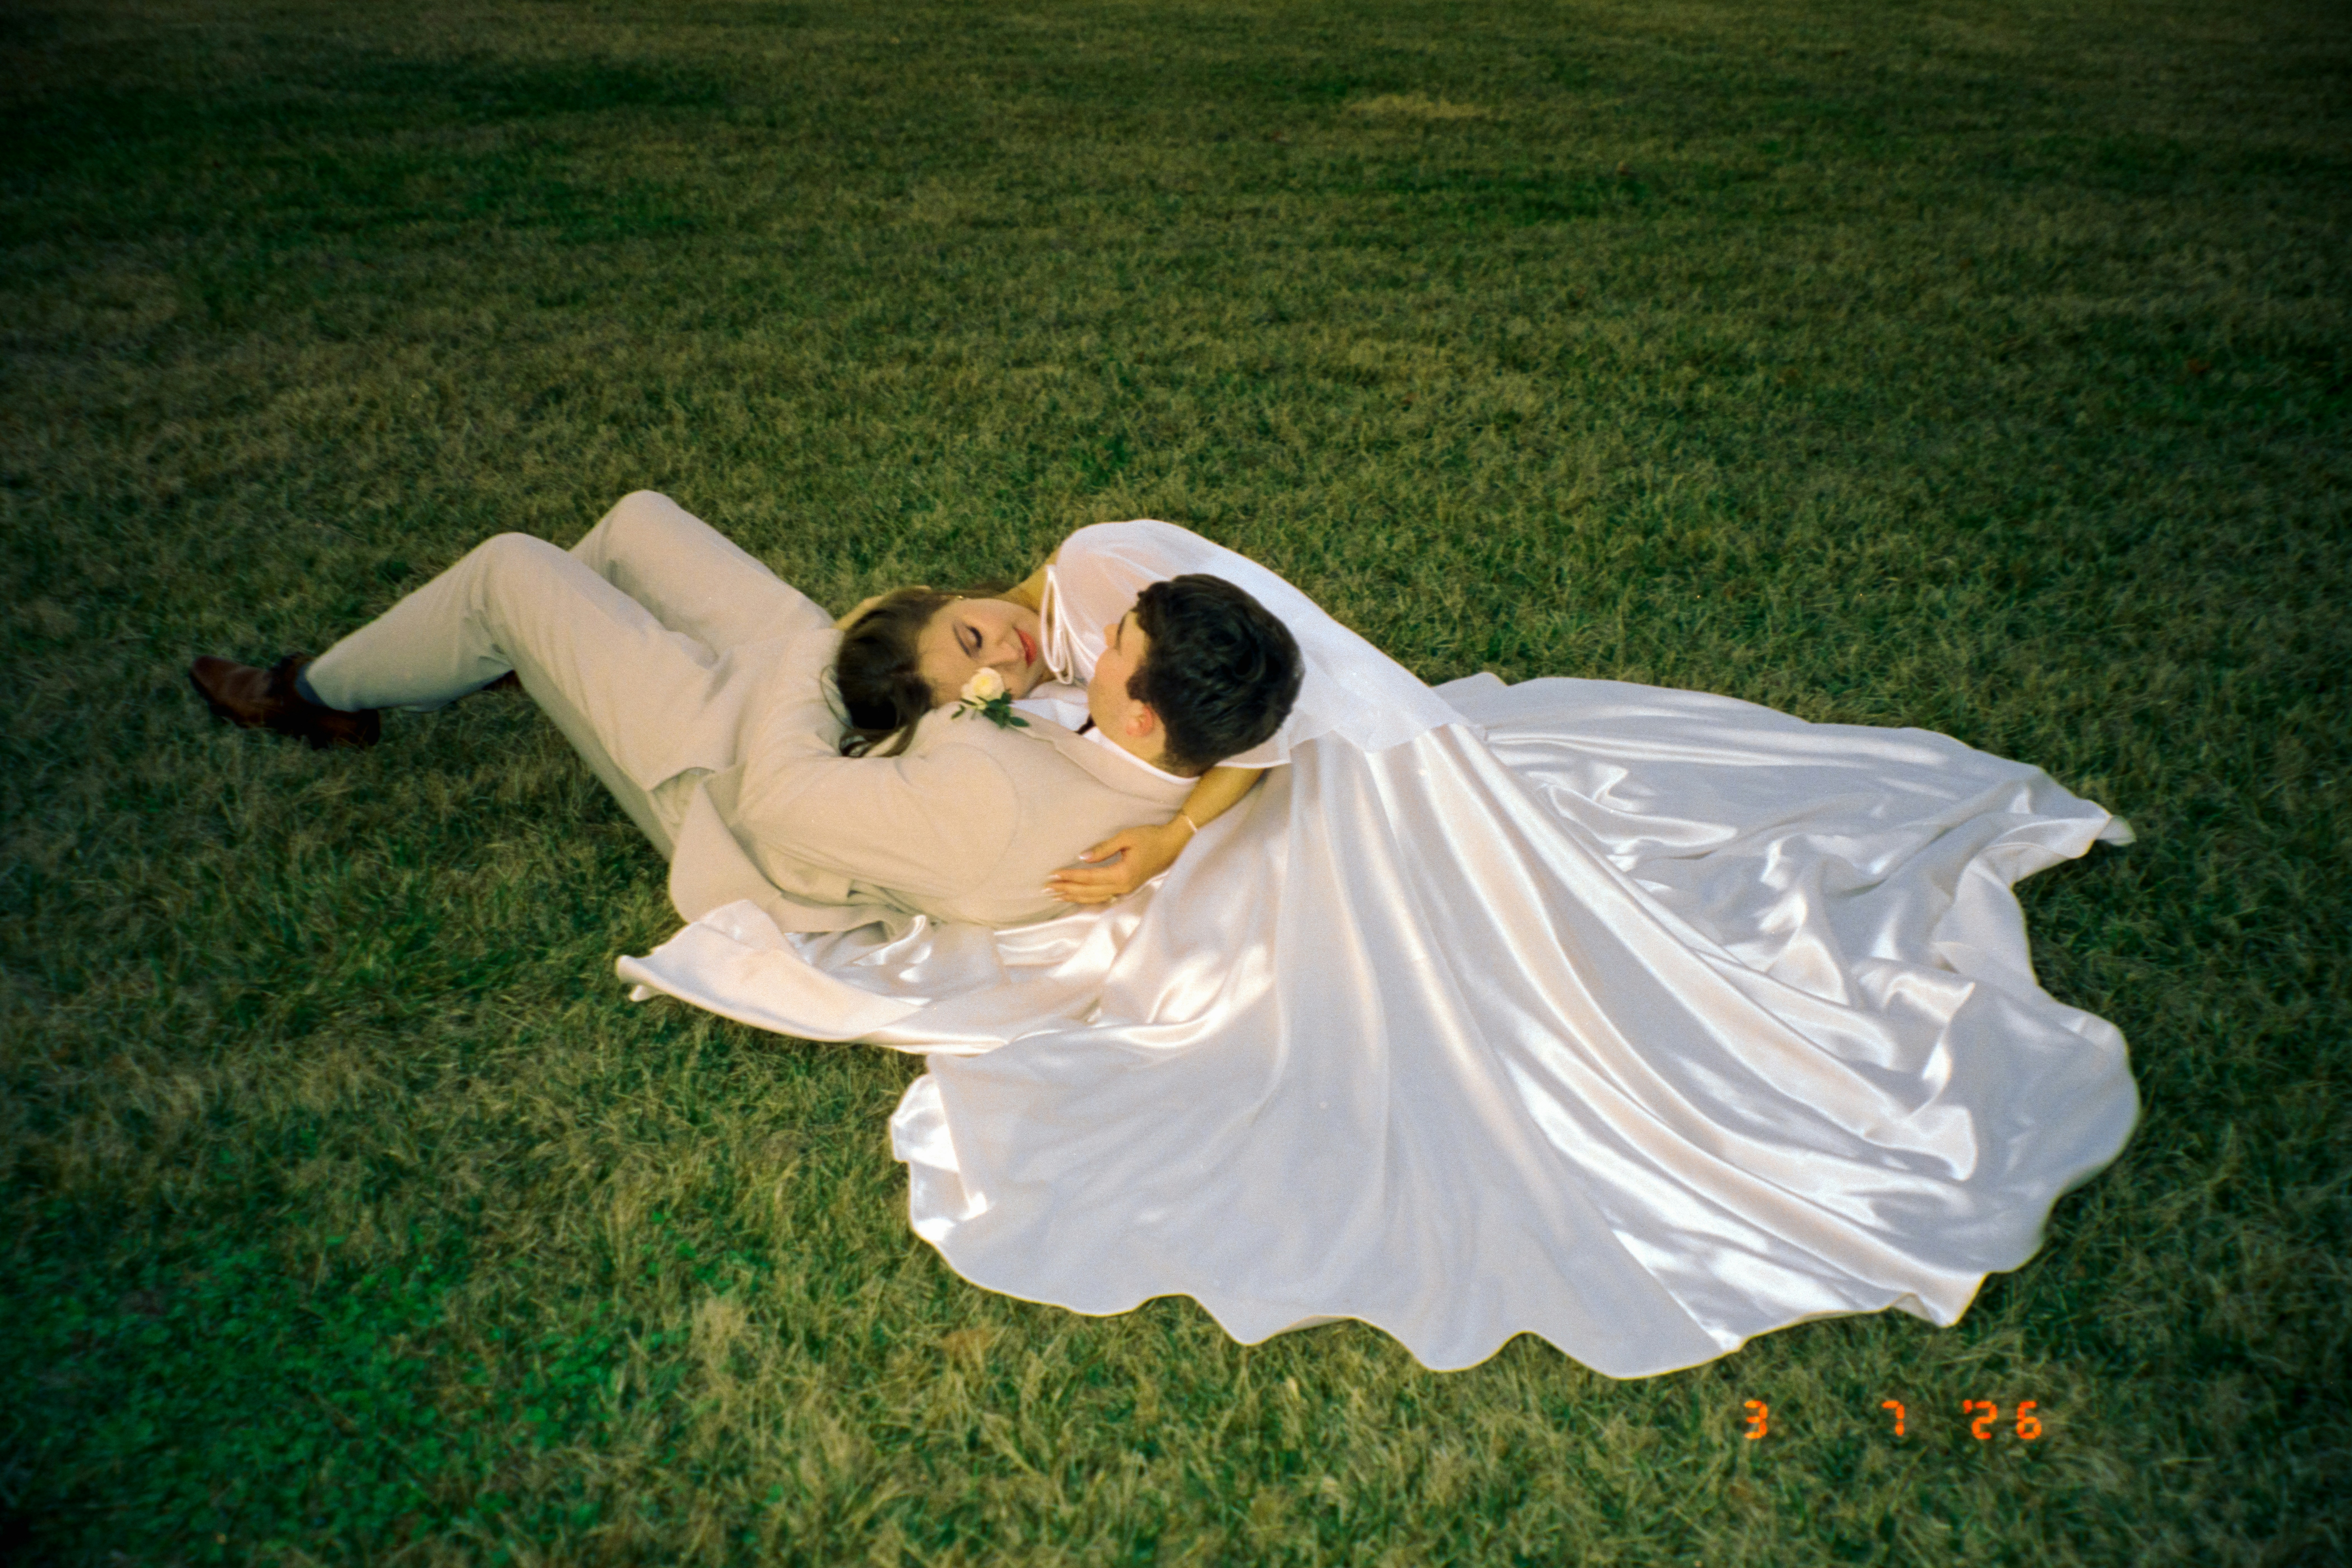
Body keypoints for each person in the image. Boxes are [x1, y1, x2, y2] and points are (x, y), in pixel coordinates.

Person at [623, 518, 2141, 1379]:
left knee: (1375, 934)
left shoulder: (1169, 652)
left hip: (1269, 771)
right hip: (1163, 727)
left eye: (1006, 647)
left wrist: (1166, 836)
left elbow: (1259, 742)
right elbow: (1077, 661)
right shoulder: (1076, 596)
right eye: (977, 652)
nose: (1018, 658)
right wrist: (1009, 683)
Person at [187, 491, 1303, 939]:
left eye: (1119, 649)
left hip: (723, 784)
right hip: (860, 723)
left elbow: (775, 805)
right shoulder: (1179, 752)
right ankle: (510, 655)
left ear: (1150, 716)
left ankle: (318, 698)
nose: (1096, 639)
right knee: (634, 524)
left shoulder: (997, 801)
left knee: (510, 572)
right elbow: (1262, 746)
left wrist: (828, 651)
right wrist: (1177, 828)